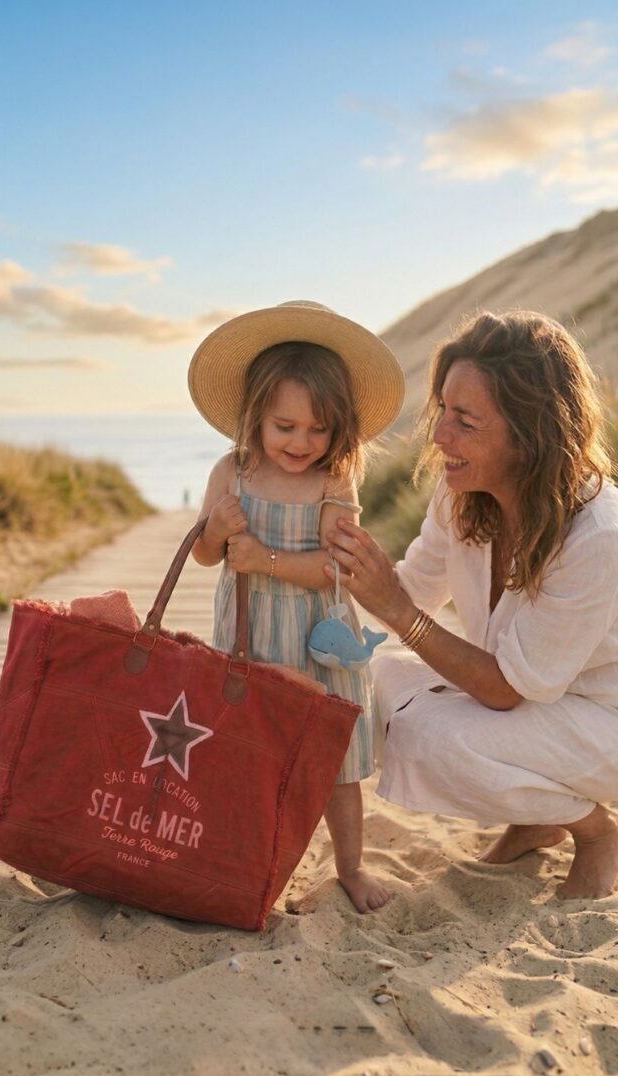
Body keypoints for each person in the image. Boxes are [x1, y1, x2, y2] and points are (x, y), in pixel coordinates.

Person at [326, 309, 618, 900]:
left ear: (530, 432)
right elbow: (411, 588)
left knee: (427, 740)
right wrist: (322, 562)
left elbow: (506, 688)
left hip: (600, 721)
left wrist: (396, 608)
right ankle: (536, 819)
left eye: (464, 421)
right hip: (532, 707)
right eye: (442, 412)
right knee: (361, 683)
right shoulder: (463, 496)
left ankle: (594, 831)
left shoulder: (598, 535)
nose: (440, 436)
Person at [187, 300, 404, 913]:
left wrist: (265, 560)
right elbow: (205, 555)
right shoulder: (233, 471)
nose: (302, 443)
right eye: (285, 427)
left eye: (319, 429)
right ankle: (249, 859)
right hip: (251, 634)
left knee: (335, 760)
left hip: (317, 637)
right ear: (255, 416)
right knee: (250, 751)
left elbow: (338, 569)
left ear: (340, 430)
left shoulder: (334, 480)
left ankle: (352, 868)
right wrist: (216, 532)